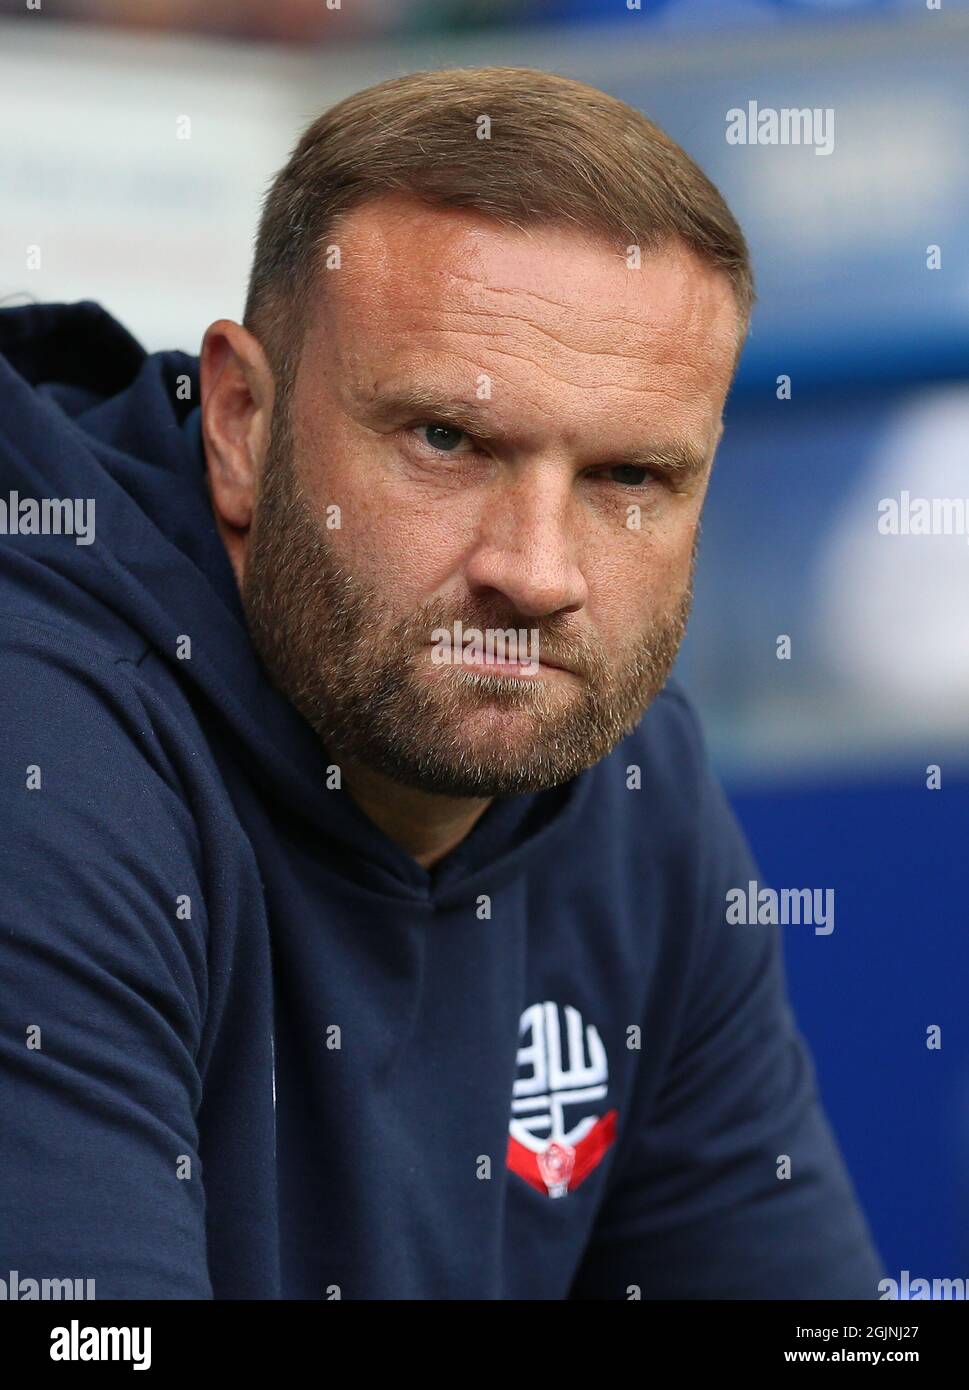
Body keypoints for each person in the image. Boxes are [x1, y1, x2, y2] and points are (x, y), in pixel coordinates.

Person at [0, 66, 884, 1299]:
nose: (534, 574)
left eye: (629, 476)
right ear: (244, 424)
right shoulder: (42, 746)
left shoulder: (630, 776)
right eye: (448, 441)